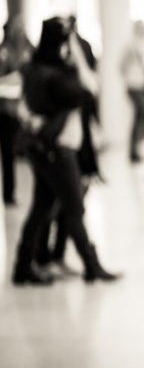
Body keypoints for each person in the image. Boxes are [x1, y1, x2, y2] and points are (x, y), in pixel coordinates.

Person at [11, 17, 118, 285]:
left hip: (44, 149)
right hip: (59, 151)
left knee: (41, 208)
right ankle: (92, 266)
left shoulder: (34, 69)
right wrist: (78, 55)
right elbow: (90, 89)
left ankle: (23, 266)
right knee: (74, 208)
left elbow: (24, 105)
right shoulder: (57, 77)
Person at [0, 20, 32, 205]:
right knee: (8, 153)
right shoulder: (4, 53)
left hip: (19, 110)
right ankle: (8, 193)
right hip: (6, 111)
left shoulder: (26, 51)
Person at [121, 20, 144, 163]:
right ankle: (135, 149)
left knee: (139, 117)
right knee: (142, 116)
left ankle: (136, 149)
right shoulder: (130, 44)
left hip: (140, 85)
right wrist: (128, 78)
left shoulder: (142, 42)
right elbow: (121, 65)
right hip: (133, 86)